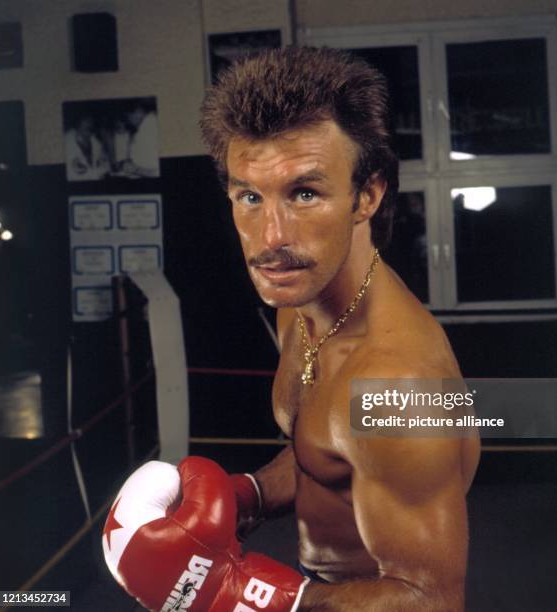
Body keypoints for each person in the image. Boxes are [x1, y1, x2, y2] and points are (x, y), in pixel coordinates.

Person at [103, 47, 480, 611]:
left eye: (304, 193)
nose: (271, 237)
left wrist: (250, 599)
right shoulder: (298, 299)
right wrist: (248, 495)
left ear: (367, 195)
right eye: (249, 197)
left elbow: (431, 599)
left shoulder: (396, 385)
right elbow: (324, 455)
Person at [64, 115, 109, 181]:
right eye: (86, 121)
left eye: (91, 122)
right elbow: (72, 173)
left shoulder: (96, 142)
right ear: (77, 126)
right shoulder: (67, 143)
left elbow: (106, 164)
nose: (89, 124)